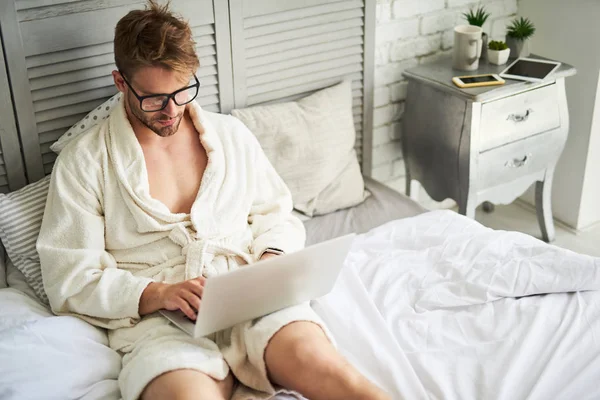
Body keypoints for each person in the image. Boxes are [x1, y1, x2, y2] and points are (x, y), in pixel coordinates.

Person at [37, 1, 390, 399]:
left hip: (249, 294)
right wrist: (156, 294)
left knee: (342, 380)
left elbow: (277, 213)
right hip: (160, 321)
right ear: (121, 83)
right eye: (153, 99)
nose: (171, 111)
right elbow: (69, 276)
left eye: (182, 91)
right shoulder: (85, 160)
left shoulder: (231, 136)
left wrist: (271, 260)